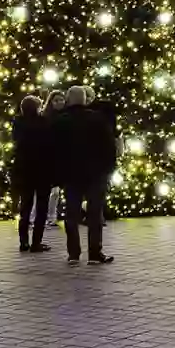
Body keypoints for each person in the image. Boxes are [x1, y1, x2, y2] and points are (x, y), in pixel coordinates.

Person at [53, 86, 116, 265]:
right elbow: (108, 147)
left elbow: (53, 150)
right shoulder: (97, 119)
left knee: (71, 214)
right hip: (95, 174)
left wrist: (57, 174)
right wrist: (108, 169)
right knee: (94, 214)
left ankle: (73, 253)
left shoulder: (60, 122)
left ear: (68, 99)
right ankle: (95, 253)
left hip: (70, 175)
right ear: (84, 99)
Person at [12, 96, 53, 253]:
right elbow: (50, 145)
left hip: (23, 170)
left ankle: (23, 242)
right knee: (41, 208)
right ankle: (36, 242)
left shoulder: (18, 123)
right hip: (42, 170)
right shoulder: (44, 123)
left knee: (25, 207)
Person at [39, 89, 66, 228]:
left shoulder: (67, 116)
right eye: (56, 100)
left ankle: (52, 216)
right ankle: (42, 217)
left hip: (61, 158)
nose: (60, 102)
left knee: (56, 191)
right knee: (47, 191)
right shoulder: (46, 118)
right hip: (48, 158)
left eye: (62, 99)